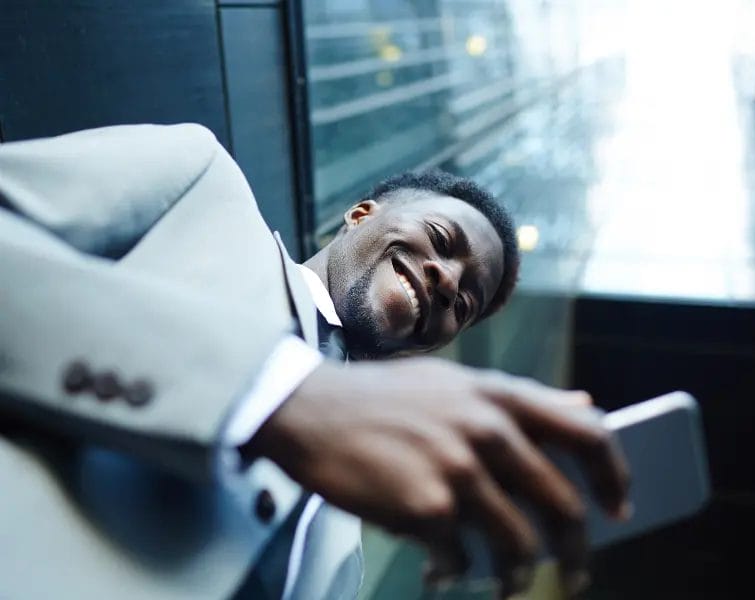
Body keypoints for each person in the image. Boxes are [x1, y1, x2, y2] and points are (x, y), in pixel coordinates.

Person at [0, 124, 629, 600]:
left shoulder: (345, 552)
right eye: (441, 241)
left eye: (462, 303)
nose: (445, 280)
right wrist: (273, 394)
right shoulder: (201, 184)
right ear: (362, 217)